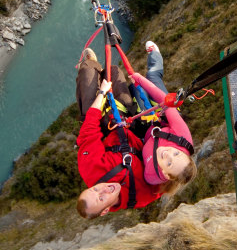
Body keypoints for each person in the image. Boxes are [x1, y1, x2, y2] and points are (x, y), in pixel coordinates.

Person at [76, 48, 161, 218]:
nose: (104, 189)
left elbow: (89, 131)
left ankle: (91, 65)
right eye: (101, 198)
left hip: (108, 127)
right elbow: (167, 173)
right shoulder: (142, 196)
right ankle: (99, 72)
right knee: (114, 72)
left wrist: (102, 93)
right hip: (133, 125)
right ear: (105, 211)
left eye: (95, 189)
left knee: (89, 74)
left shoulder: (90, 170)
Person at [130, 41, 197, 196]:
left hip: (147, 128)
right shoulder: (182, 136)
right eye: (176, 154)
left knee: (134, 88)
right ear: (183, 152)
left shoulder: (152, 175)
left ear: (166, 175)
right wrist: (141, 79)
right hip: (165, 115)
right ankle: (155, 54)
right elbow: (164, 99)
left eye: (169, 163)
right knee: (152, 76)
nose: (168, 154)